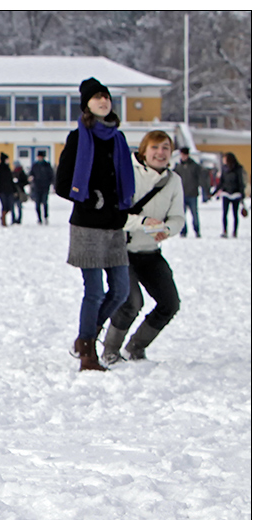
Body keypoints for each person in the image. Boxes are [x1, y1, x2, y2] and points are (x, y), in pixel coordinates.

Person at [55, 77, 135, 372]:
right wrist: (91, 198)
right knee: (95, 291)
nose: (103, 101)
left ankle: (86, 335)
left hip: (114, 225)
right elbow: (62, 184)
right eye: (97, 97)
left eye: (106, 97)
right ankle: (88, 353)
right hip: (88, 225)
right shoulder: (78, 138)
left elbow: (126, 182)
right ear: (86, 104)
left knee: (121, 291)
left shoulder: (118, 138)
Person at [101, 130, 184, 365]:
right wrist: (144, 223)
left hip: (150, 253)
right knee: (131, 302)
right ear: (144, 151)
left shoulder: (173, 180)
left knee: (170, 303)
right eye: (155, 148)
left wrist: (167, 229)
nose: (160, 153)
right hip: (122, 250)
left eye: (165, 148)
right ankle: (110, 350)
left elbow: (177, 217)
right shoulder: (127, 173)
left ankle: (136, 348)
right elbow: (115, 215)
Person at [213, 152, 246, 238]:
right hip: (226, 193)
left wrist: (242, 195)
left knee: (235, 214)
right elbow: (221, 182)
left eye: (225, 158)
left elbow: (240, 182)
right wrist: (214, 192)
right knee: (225, 214)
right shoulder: (224, 169)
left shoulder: (238, 169)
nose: (223, 160)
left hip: (236, 193)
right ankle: (224, 231)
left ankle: (235, 232)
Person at [29, 151, 54, 224]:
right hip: (37, 187)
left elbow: (51, 175)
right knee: (37, 204)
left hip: (45, 187)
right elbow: (31, 174)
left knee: (45, 203)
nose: (39, 158)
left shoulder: (47, 165)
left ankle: (46, 217)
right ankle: (39, 218)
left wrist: (51, 184)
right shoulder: (35, 165)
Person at [0, 153, 15, 227]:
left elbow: (11, 180)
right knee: (4, 205)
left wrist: (14, 189)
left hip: (9, 190)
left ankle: (2, 217)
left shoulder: (8, 169)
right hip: (1, 191)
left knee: (10, 206)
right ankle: (3, 221)